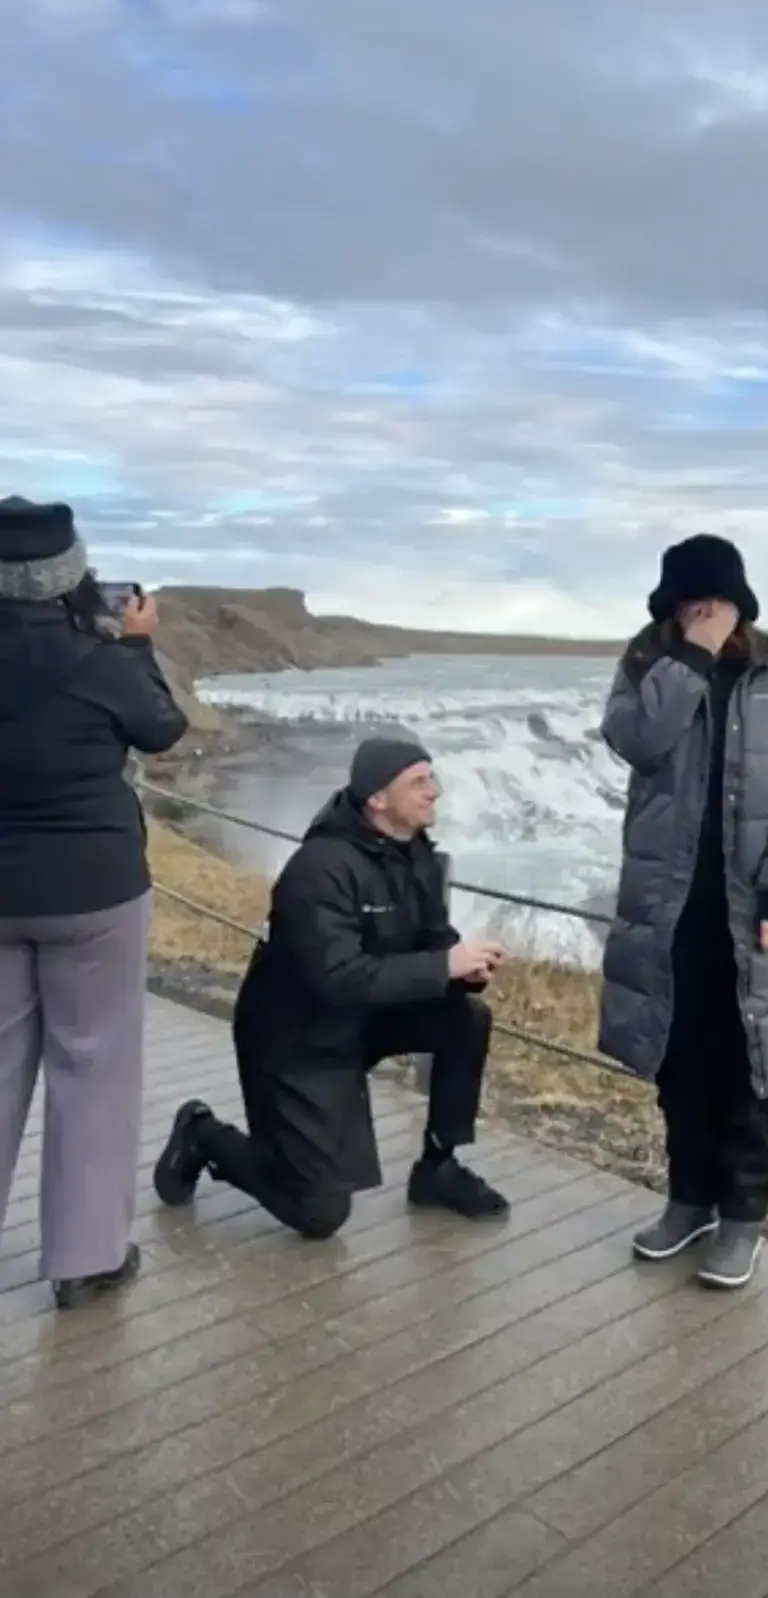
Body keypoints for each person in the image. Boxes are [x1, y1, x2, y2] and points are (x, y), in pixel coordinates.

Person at [153, 736, 511, 1238]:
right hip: (293, 1037)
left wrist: (462, 970)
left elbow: (431, 939)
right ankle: (203, 1136)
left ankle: (437, 1167)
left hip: (363, 1016)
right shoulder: (319, 869)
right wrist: (442, 965)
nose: (435, 792)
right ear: (377, 800)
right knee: (319, 1214)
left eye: (432, 778)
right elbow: (338, 979)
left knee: (464, 1019)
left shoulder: (418, 855)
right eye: (419, 782)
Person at [599, 534, 768, 1289]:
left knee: (747, 1068)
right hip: (669, 909)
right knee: (679, 1064)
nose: (709, 615)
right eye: (695, 604)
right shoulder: (646, 670)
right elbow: (637, 741)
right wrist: (688, 660)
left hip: (747, 912)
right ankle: (687, 1201)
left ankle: (742, 1221)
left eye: (720, 603)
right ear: (673, 608)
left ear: (742, 605)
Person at [0, 496, 190, 1309]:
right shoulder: (101, 659)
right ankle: (86, 1258)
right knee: (94, 1067)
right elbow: (161, 730)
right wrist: (140, 648)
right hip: (94, 890)